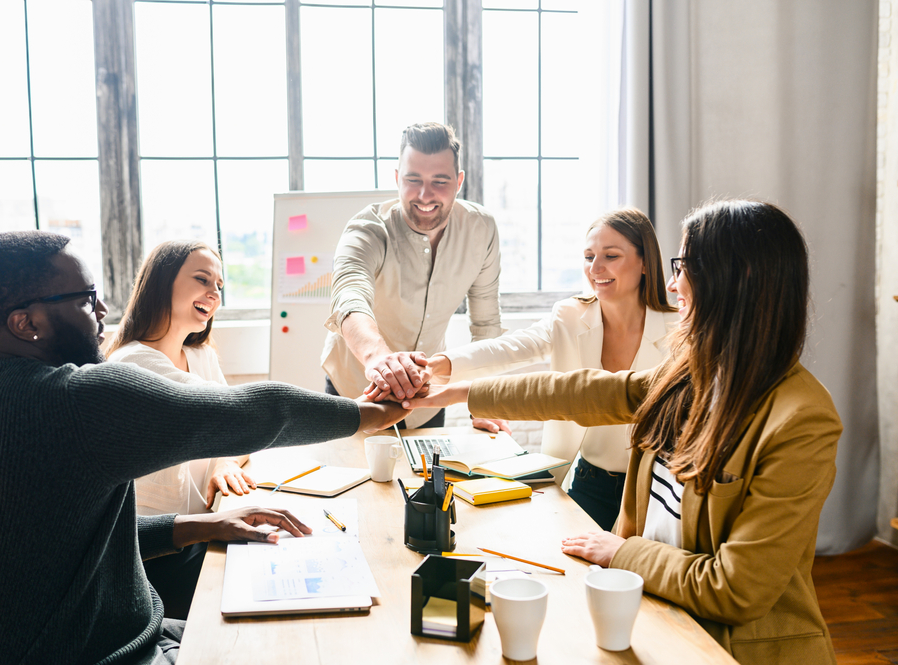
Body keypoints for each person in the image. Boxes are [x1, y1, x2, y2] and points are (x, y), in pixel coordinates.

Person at [0, 231, 403, 665]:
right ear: (26, 323)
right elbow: (256, 411)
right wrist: (371, 412)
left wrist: (199, 525)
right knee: (301, 641)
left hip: (62, 647)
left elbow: (55, 537)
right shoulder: (78, 398)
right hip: (110, 655)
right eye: (85, 298)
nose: (102, 310)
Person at [402, 200, 842, 664]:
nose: (675, 283)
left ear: (741, 278)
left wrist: (621, 552)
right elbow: (579, 393)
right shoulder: (689, 374)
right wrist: (455, 393)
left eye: (685, 266)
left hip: (726, 648)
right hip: (656, 614)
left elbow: (734, 588)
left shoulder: (801, 420)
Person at [419, 208, 679, 529]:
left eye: (611, 256)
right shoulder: (569, 315)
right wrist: (437, 365)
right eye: (588, 256)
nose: (595, 268)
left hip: (652, 490)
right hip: (589, 482)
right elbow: (511, 348)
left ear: (644, 262)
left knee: (632, 576)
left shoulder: (678, 328)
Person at [104, 240, 253, 620]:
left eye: (218, 285)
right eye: (202, 279)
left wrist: (223, 463)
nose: (213, 293)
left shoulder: (201, 356)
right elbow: (241, 418)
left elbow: (238, 433)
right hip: (155, 556)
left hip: (202, 531)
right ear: (161, 283)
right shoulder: (133, 364)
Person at [321, 121, 503, 429]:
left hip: (426, 398)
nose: (425, 194)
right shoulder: (367, 229)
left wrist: (485, 400)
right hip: (357, 391)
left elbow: (485, 325)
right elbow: (349, 297)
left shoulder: (481, 229)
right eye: (413, 179)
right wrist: (380, 359)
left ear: (459, 181)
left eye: (440, 181)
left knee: (429, 477)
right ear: (397, 178)